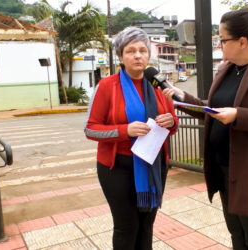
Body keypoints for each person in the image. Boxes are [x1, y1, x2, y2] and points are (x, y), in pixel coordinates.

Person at [161, 9, 248, 250]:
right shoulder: (227, 69)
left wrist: (239, 115)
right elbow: (214, 109)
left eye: (222, 39)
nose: (219, 44)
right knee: (237, 236)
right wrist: (185, 98)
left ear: (242, 42)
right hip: (226, 168)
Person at [84, 27, 179, 250]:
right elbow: (90, 129)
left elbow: (172, 121)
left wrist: (171, 122)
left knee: (147, 226)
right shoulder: (107, 86)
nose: (138, 55)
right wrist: (124, 131)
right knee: (127, 228)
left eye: (143, 50)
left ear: (148, 55)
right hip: (118, 168)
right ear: (120, 56)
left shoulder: (157, 85)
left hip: (153, 165)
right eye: (130, 51)